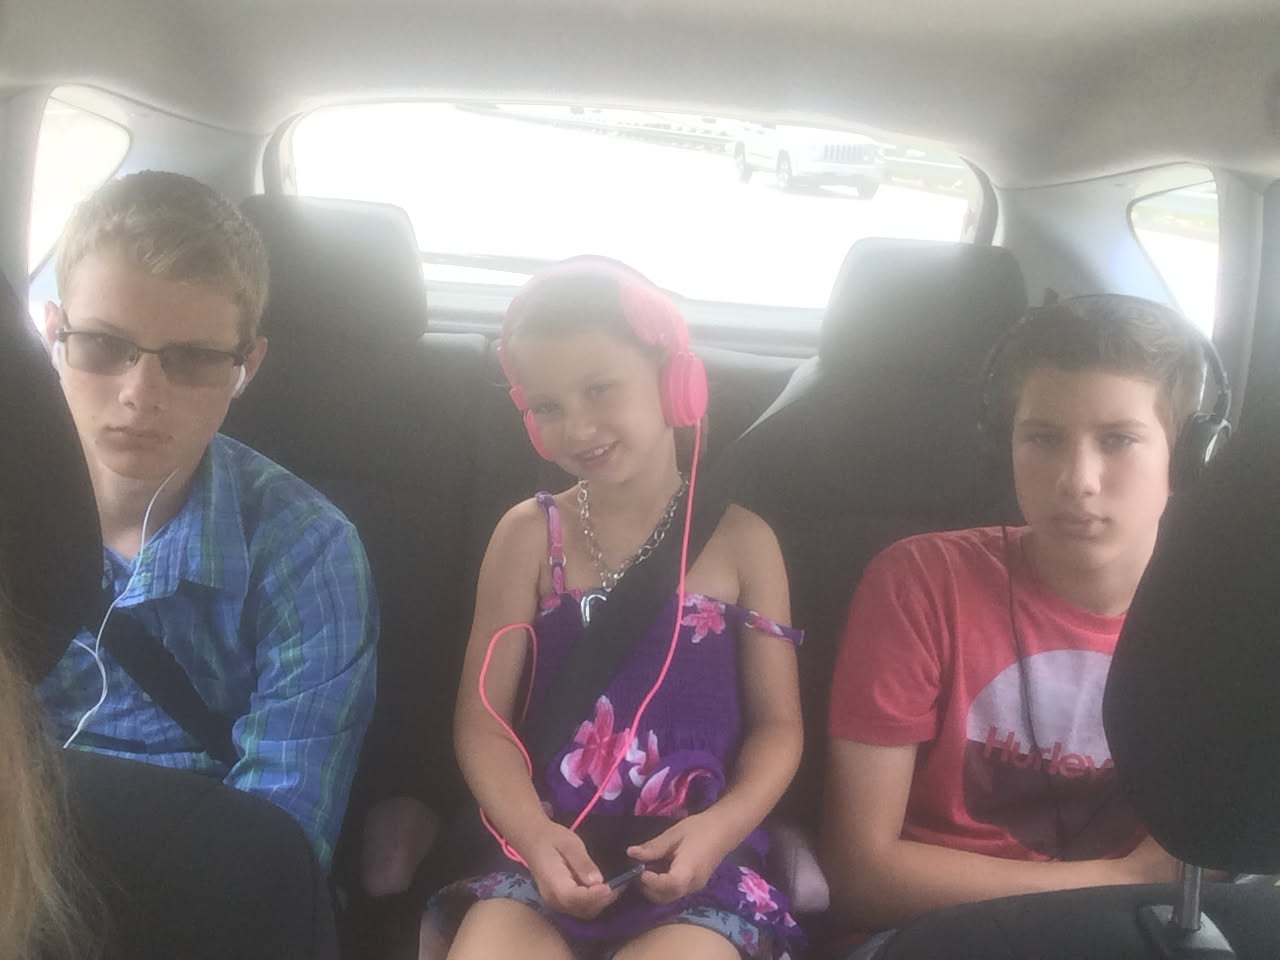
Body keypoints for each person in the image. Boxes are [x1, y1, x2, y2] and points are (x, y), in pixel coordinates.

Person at [423, 257, 806, 960]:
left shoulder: (745, 544)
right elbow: (482, 721)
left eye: (600, 390)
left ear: (675, 383)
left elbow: (779, 728)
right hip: (545, 850)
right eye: (548, 408)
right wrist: (532, 834)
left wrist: (721, 829)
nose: (577, 428)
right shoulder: (528, 536)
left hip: (697, 860)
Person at [820, 294, 1223, 957]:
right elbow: (861, 875)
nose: (1077, 480)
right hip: (935, 933)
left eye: (1119, 439)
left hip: (1139, 933)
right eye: (1043, 438)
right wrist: (1121, 880)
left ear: (1187, 459)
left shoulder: (1225, 620)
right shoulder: (920, 582)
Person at [35, 169, 378, 868]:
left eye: (191, 359)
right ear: (52, 335)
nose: (140, 393)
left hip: (197, 886)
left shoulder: (309, 553)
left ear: (246, 367)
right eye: (102, 345)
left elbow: (277, 843)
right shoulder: (15, 509)